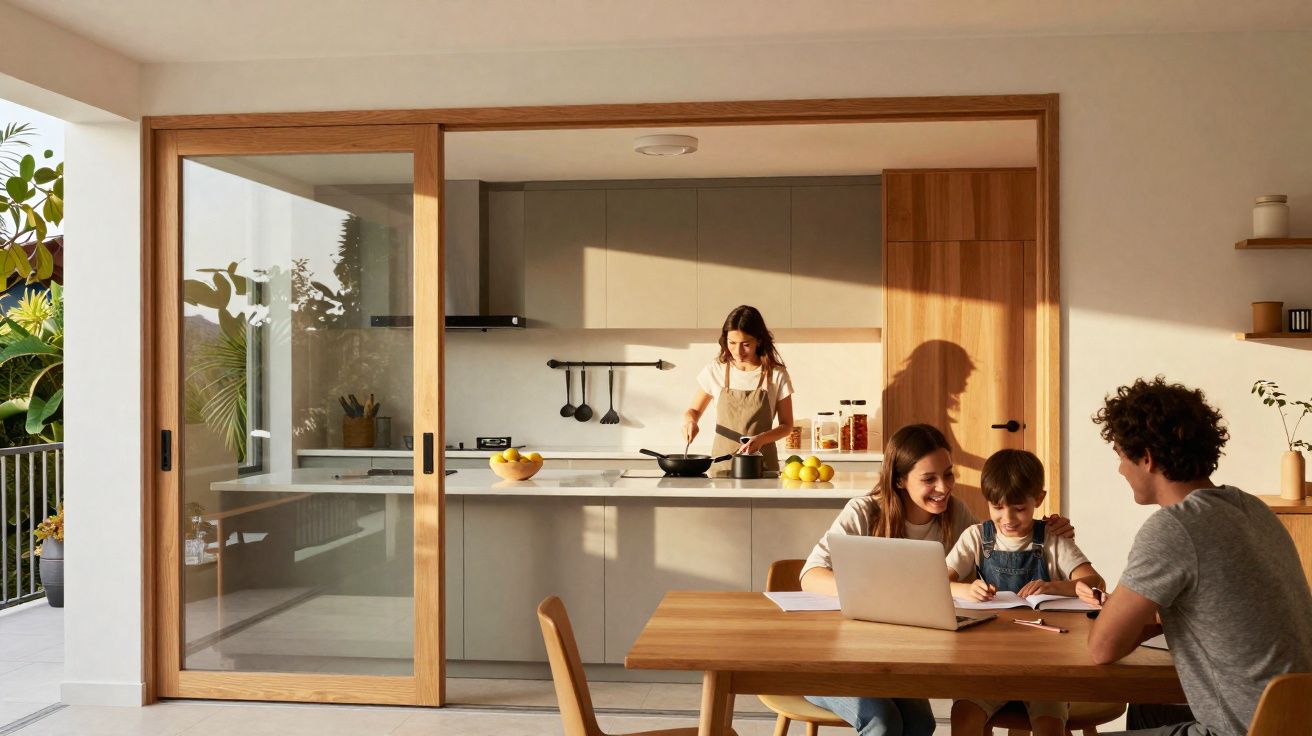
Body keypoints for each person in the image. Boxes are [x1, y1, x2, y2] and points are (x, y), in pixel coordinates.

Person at [799, 424, 1076, 736]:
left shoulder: (955, 514)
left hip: (898, 657)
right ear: (900, 480)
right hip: (842, 656)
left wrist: (1049, 530)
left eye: (948, 474)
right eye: (929, 479)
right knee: (883, 722)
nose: (943, 487)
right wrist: (882, 592)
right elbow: (810, 576)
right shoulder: (864, 511)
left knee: (921, 724)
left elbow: (995, 553)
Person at [1079, 377, 1312, 736]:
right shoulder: (1251, 507)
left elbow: (1102, 648)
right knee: (1147, 710)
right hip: (1296, 721)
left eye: (1121, 456)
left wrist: (1131, 624)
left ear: (1146, 457)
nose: (1120, 469)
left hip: (1241, 731)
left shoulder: (1175, 528)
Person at [944, 449, 1105, 736]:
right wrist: (966, 588)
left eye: (1018, 508)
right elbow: (936, 582)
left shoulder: (1054, 539)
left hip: (1046, 666)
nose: (1007, 518)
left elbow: (1096, 583)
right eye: (997, 507)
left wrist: (1056, 586)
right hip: (987, 663)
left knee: (1049, 727)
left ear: (1038, 500)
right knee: (964, 720)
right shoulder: (976, 537)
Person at [683, 305, 793, 474]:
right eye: (732, 343)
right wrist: (690, 422)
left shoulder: (776, 374)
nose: (738, 351)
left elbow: (787, 426)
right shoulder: (715, 370)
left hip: (762, 466)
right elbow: (694, 410)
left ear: (759, 340)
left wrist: (761, 439)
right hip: (723, 466)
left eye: (746, 344)